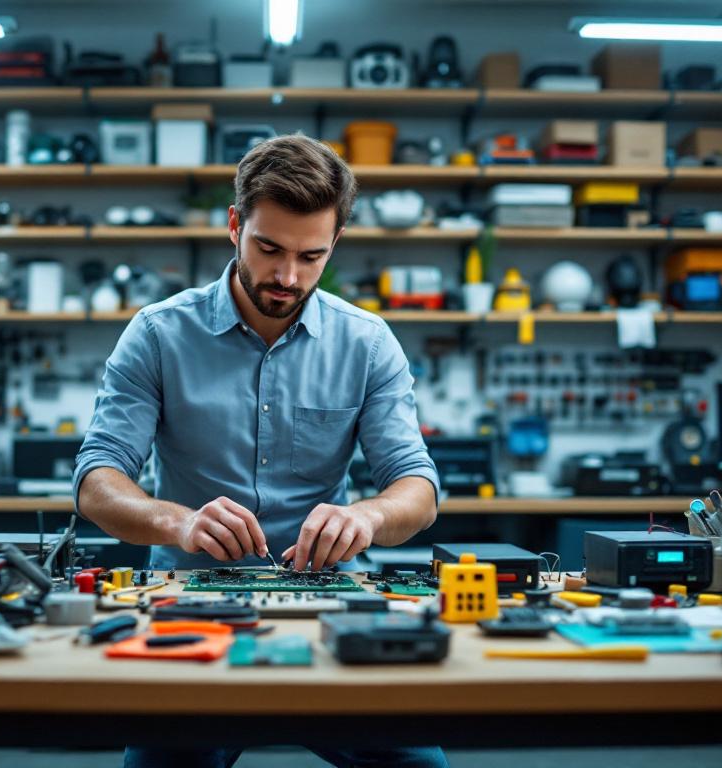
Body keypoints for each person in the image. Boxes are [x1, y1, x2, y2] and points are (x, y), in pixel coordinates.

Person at [74, 134, 447, 768]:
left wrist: (366, 517)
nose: (287, 277)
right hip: (191, 605)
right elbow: (97, 480)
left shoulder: (367, 344)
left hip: (330, 604)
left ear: (336, 243)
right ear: (234, 226)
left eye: (311, 256)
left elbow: (417, 487)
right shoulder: (158, 334)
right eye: (269, 249)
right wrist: (180, 522)